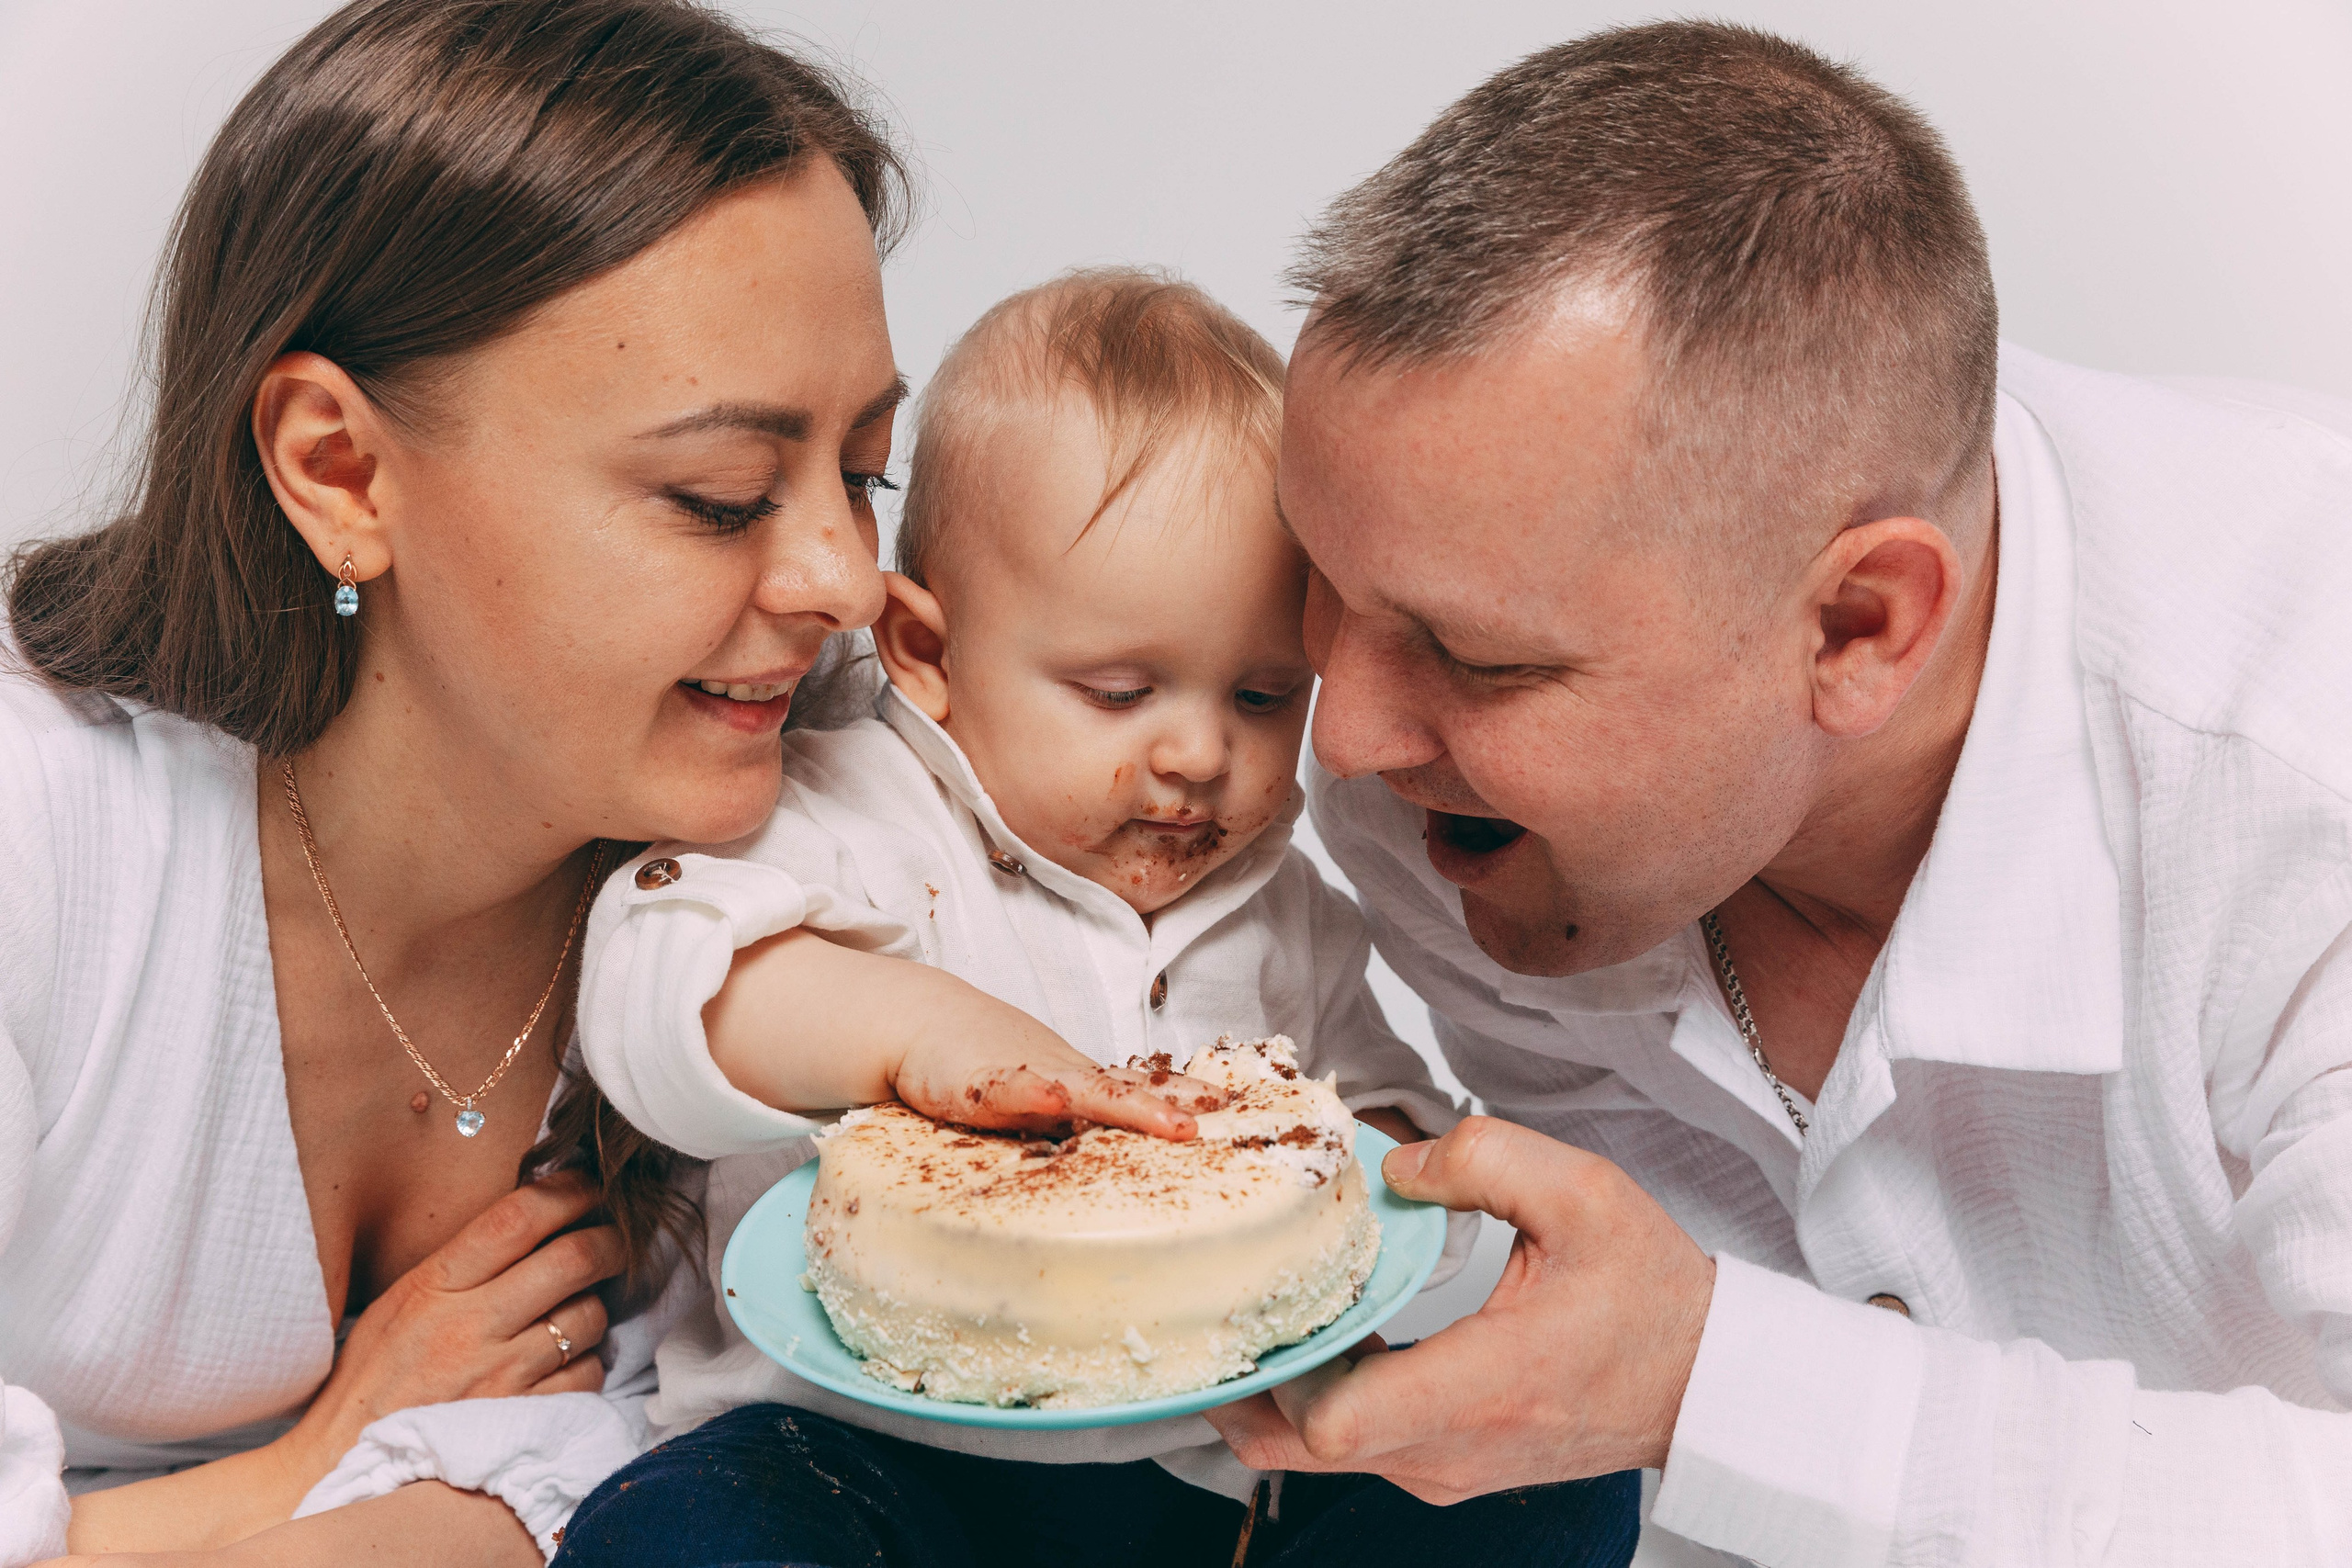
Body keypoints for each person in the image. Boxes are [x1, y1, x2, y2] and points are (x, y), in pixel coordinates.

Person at [1205, 19, 2352, 1566]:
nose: (1343, 736)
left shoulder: (2299, 774)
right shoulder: (1452, 806)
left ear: (1859, 626)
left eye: (1476, 657)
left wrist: (1713, 1390)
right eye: (1326, 587)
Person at [0, 2, 925, 1562]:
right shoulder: (42, 836)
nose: (844, 577)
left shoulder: (842, 817)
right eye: (720, 498)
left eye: (864, 472)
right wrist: (314, 1461)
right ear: (339, 472)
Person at [553, 269, 1639, 1568]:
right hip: (855, 1456)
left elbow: (1379, 1128)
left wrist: (1402, 1187)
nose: (1196, 754)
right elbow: (656, 984)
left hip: (1205, 1478)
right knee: (680, 1535)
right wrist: (907, 1030)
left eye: (1259, 696)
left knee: (1567, 1481)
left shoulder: (1281, 911)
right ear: (929, 655)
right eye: (1121, 692)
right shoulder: (853, 816)